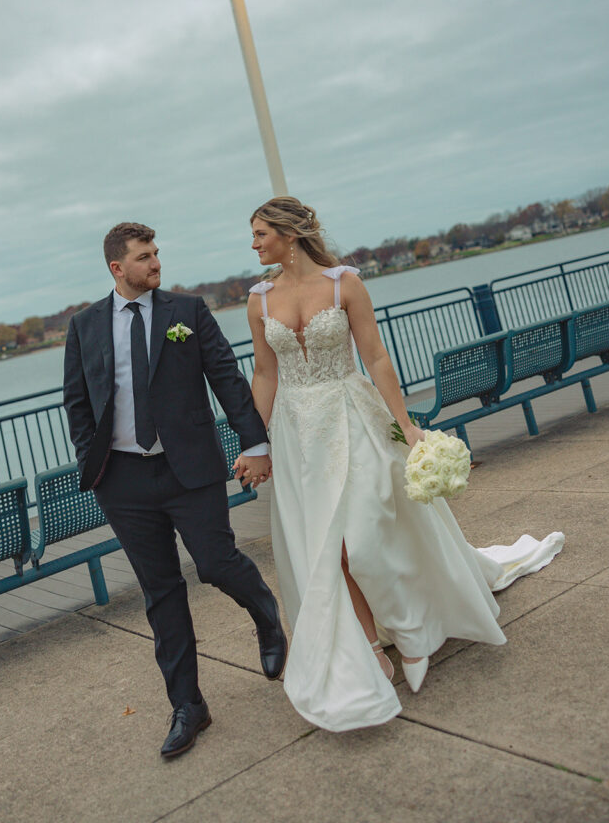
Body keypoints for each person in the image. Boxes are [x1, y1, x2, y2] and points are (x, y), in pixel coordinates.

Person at [242, 197, 564, 732]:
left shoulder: (345, 284)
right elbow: (265, 374)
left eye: (259, 234)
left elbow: (375, 357)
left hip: (352, 418)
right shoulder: (258, 301)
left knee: (364, 539)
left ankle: (415, 634)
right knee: (327, 549)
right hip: (297, 434)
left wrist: (406, 424)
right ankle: (369, 646)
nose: (253, 244)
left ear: (288, 235)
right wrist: (258, 442)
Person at [63, 221, 287, 759]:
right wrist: (92, 466)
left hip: (190, 469)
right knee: (161, 592)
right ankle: (188, 706)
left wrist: (255, 443)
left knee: (215, 563)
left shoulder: (187, 312)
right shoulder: (85, 325)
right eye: (144, 257)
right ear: (117, 268)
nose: (155, 263)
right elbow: (76, 401)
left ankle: (267, 619)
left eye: (156, 253)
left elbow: (227, 380)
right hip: (122, 481)